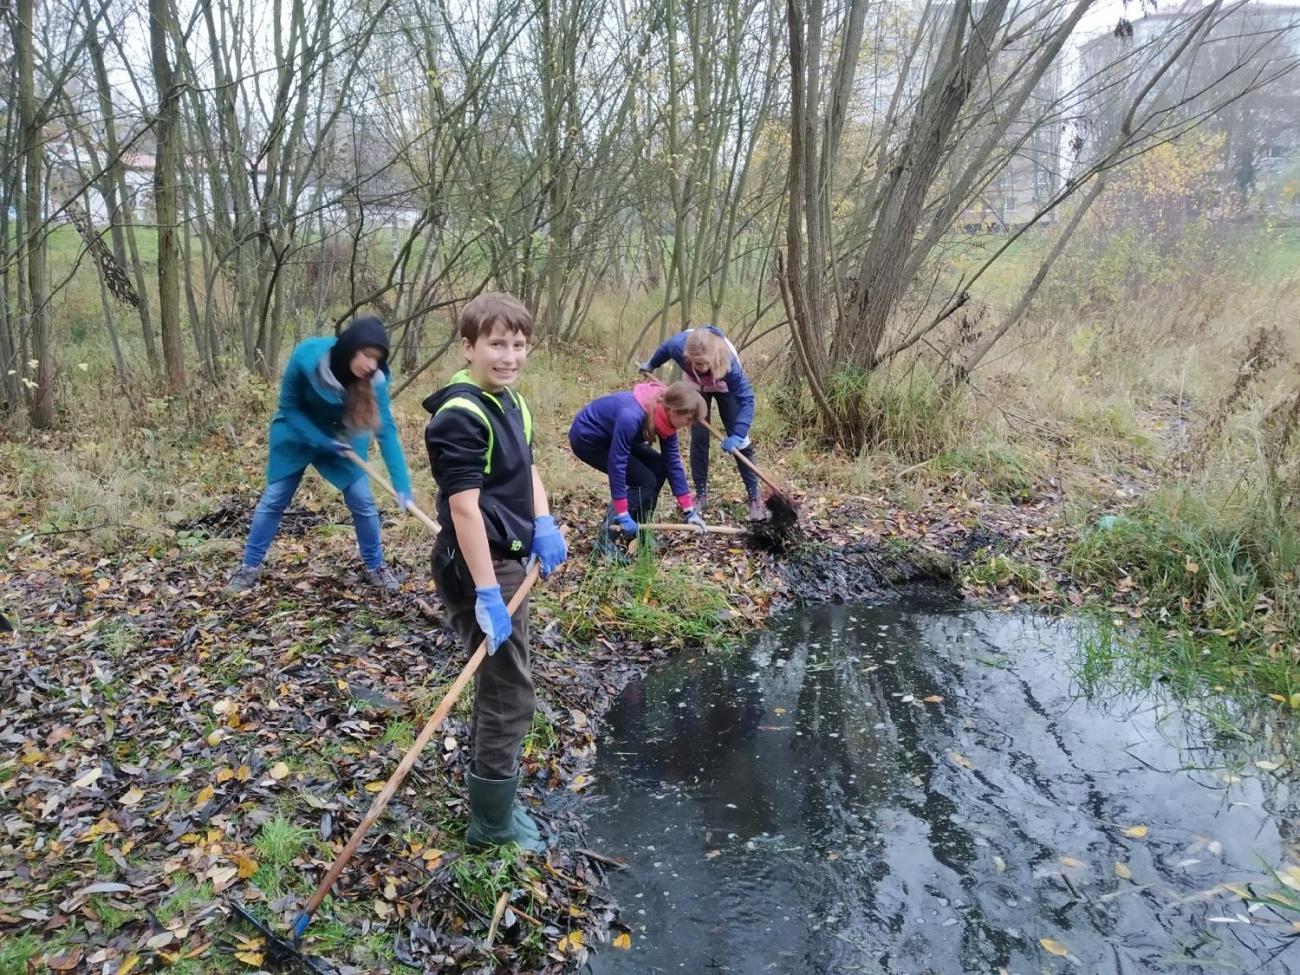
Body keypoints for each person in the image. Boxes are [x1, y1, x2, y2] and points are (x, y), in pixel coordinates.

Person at [422, 292, 567, 853]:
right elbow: (463, 509)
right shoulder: (461, 416)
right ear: (468, 347)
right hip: (481, 564)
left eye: (518, 344)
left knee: (502, 682)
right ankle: (490, 823)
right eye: (496, 344)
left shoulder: (512, 402)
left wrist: (545, 520)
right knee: (511, 692)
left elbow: (528, 469)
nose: (509, 356)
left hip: (510, 555)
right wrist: (486, 590)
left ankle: (496, 792)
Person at [226, 317, 412, 594]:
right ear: (350, 348)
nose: (372, 365)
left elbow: (386, 432)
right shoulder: (307, 357)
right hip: (297, 435)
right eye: (367, 356)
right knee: (274, 499)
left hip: (343, 441)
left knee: (363, 501)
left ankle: (376, 567)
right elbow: (288, 407)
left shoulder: (374, 381)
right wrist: (321, 441)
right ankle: (249, 566)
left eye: (378, 359)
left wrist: (402, 485)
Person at [639, 325, 764, 520]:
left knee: (740, 438)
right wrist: (651, 364)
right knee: (699, 437)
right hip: (695, 387)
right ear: (687, 355)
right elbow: (665, 348)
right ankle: (701, 493)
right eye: (695, 362)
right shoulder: (679, 346)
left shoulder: (729, 365)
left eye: (704, 363)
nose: (701, 367)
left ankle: (754, 497)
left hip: (724, 386)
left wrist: (738, 434)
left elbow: (747, 398)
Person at [568, 380, 707, 553]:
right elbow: (617, 464)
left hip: (612, 435)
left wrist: (689, 510)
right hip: (588, 438)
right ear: (674, 410)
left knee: (659, 467)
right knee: (644, 480)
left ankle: (641, 530)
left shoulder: (667, 419)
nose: (690, 424)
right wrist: (622, 511)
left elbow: (672, 462)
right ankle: (605, 540)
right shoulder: (631, 416)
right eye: (688, 419)